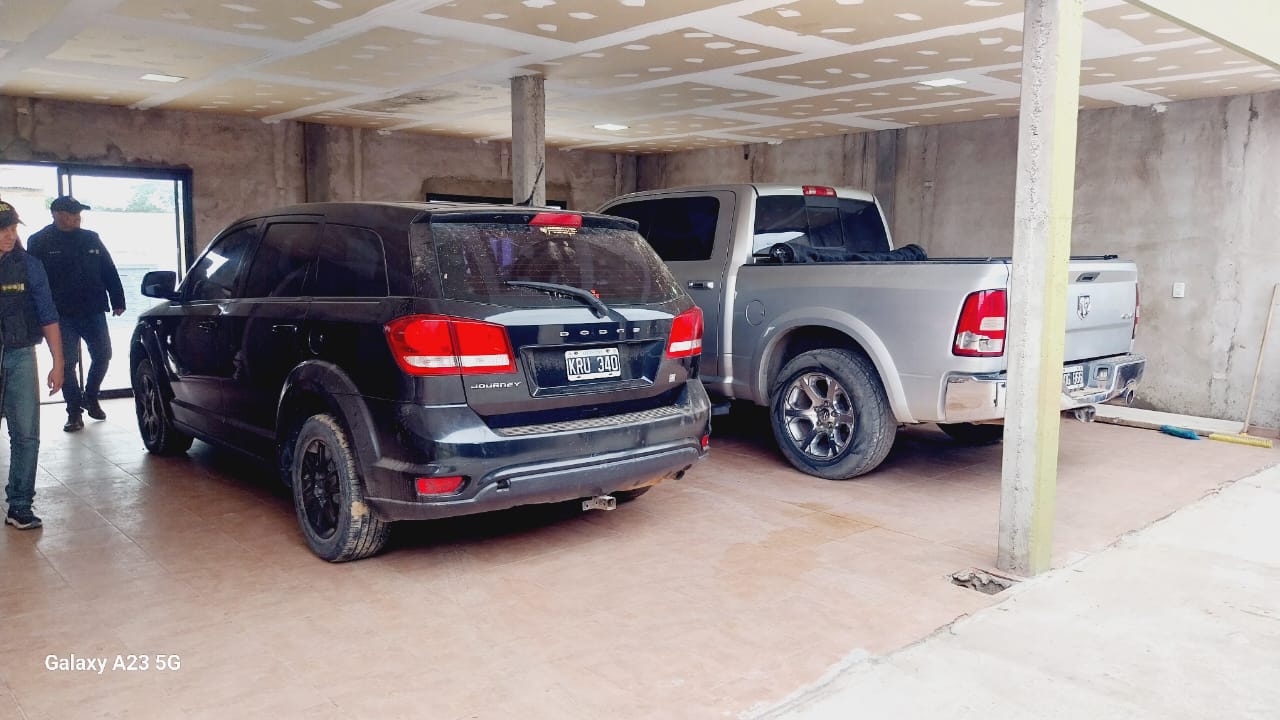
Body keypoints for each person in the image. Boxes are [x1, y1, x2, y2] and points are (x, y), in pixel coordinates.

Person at [27, 195, 124, 432]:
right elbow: (32, 280)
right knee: (67, 363)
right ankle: (73, 412)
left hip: (93, 309)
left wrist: (118, 300)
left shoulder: (91, 238)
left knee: (103, 355)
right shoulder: (39, 241)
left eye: (79, 213)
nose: (77, 218)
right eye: (72, 213)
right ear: (57, 214)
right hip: (60, 315)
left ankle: (90, 396)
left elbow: (108, 269)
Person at [0, 201, 64, 530]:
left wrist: (58, 362)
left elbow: (48, 314)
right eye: (3, 229)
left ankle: (20, 504)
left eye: (13, 228)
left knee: (26, 434)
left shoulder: (29, 266)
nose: (10, 235)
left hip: (21, 354)